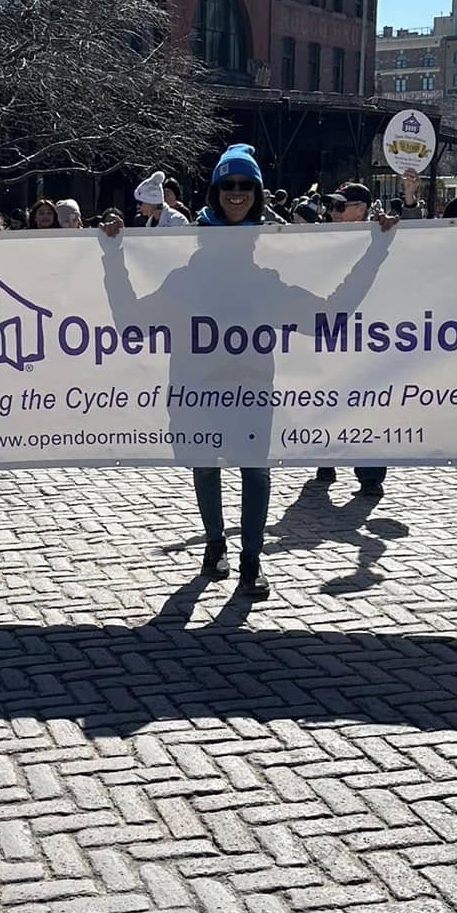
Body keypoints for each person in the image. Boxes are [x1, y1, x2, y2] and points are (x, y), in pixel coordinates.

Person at [185, 145, 274, 596]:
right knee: (206, 465)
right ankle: (214, 544)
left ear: (257, 192)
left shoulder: (275, 245)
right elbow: (134, 314)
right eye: (228, 185)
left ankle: (252, 560)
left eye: (245, 186)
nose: (235, 194)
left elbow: (328, 305)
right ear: (216, 190)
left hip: (254, 377)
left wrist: (378, 243)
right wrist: (112, 253)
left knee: (255, 470)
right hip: (200, 377)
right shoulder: (194, 247)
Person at [314, 179, 409, 498]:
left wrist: (406, 207)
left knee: (367, 401)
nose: (333, 212)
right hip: (331, 331)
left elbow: (417, 242)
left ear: (361, 209)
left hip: (370, 334)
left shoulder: (381, 232)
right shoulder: (322, 237)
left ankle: (369, 474)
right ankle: (323, 456)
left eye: (340, 207)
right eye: (331, 206)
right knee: (325, 395)